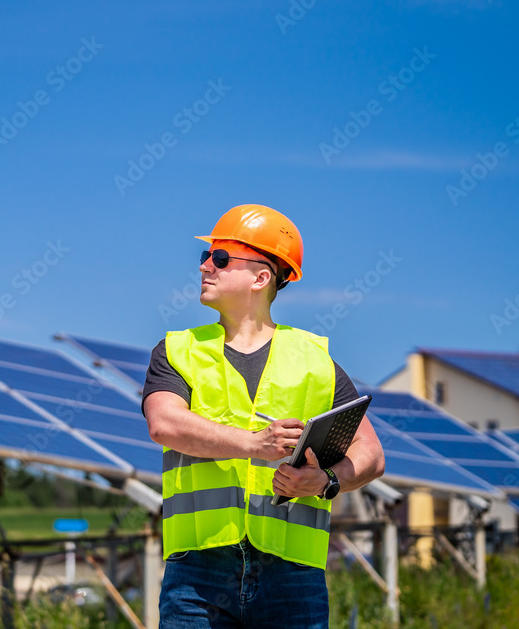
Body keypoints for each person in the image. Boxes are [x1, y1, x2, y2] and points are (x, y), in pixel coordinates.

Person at [142, 204, 385, 628]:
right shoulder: (177, 350)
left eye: (220, 258)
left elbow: (372, 454)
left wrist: (326, 482)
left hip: (292, 572)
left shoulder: (315, 361)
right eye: (205, 257)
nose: (205, 267)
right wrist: (254, 443)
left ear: (261, 277)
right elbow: (165, 423)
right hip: (197, 571)